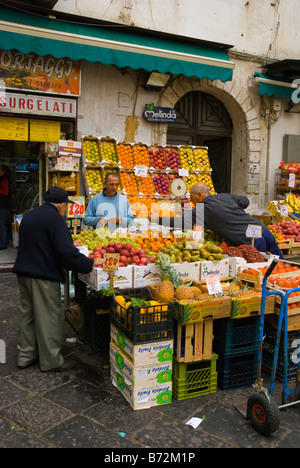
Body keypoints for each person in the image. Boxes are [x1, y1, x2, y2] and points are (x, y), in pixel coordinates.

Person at [13, 186, 94, 373]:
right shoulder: (55, 219)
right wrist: (88, 264)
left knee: (28, 315)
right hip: (43, 275)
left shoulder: (30, 215)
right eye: (66, 206)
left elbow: (41, 242)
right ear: (61, 206)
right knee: (48, 317)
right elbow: (66, 253)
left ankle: (26, 356)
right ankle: (51, 361)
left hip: (24, 273)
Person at [157, 183, 283, 258]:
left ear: (200, 194)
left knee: (261, 272)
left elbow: (180, 222)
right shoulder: (224, 196)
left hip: (252, 239)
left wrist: (156, 219)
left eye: (192, 196)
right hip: (263, 230)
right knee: (282, 267)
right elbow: (245, 201)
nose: (191, 200)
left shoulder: (203, 209)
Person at [0, 165, 11, 250]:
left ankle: (3, 243)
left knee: (2, 223)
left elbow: (5, 192)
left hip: (3, 205)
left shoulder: (4, 180)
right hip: (2, 205)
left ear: (4, 171)